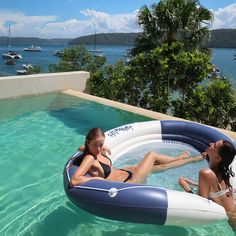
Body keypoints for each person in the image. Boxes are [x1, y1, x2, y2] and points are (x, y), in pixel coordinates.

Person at [70, 127, 203, 187]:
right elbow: (75, 180)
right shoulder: (89, 158)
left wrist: (96, 148)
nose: (99, 149)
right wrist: (99, 181)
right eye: (95, 145)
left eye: (101, 144)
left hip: (127, 172)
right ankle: (190, 158)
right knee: (151, 155)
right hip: (129, 182)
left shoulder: (93, 151)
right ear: (88, 142)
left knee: (162, 166)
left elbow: (81, 149)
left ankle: (183, 158)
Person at [178, 140, 236, 229]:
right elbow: (217, 189)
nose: (210, 144)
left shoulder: (205, 173)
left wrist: (186, 188)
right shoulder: (222, 173)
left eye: (214, 146)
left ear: (218, 158)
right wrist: (196, 184)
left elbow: (201, 207)